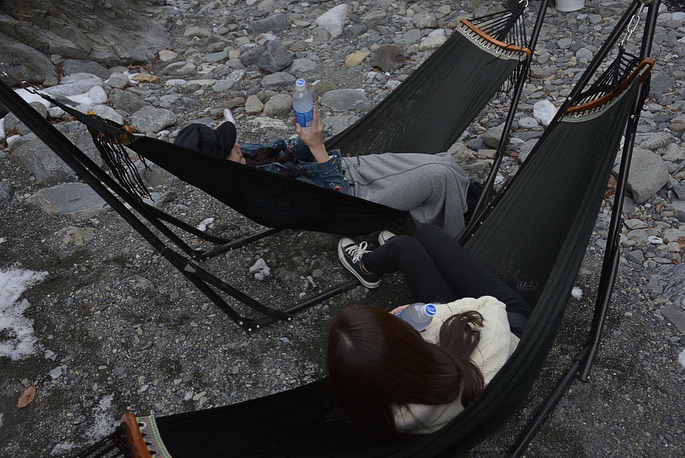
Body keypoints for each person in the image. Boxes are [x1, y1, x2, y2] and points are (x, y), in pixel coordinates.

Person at [326, 224, 531, 434]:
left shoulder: (388, 418)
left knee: (407, 248)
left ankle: (370, 264)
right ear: (407, 343)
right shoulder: (476, 354)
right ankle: (370, 263)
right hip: (505, 334)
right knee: (416, 239)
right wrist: (429, 312)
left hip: (465, 361)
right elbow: (491, 305)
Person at [175, 108, 473, 239]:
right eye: (230, 149)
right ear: (221, 165)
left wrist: (306, 140)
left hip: (348, 168)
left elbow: (290, 153)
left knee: (444, 161)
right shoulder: (261, 190)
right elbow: (331, 201)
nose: (238, 145)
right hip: (356, 202)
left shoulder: (246, 158)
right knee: (439, 175)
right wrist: (318, 149)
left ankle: (460, 208)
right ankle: (454, 240)